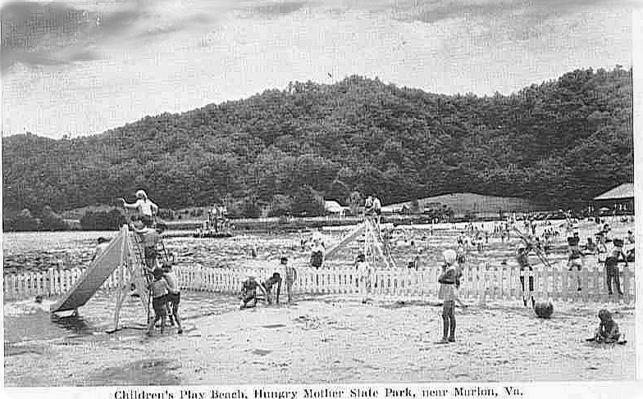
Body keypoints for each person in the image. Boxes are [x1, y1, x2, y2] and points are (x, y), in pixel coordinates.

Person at [437, 250, 465, 343]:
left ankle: (445, 337)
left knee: (445, 315)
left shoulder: (450, 269)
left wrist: (443, 270)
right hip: (452, 291)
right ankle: (452, 336)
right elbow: (459, 275)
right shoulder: (455, 267)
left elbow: (440, 279)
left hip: (448, 292)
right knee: (451, 315)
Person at [146, 268, 170, 336]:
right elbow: (168, 289)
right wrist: (174, 292)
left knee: (157, 317)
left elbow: (148, 288)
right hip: (161, 299)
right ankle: (162, 332)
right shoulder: (163, 281)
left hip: (155, 300)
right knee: (164, 317)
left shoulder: (152, 282)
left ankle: (150, 329)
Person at [162, 260, 182, 334]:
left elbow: (155, 273)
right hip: (178, 294)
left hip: (172, 294)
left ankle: (166, 315)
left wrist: (147, 268)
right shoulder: (173, 274)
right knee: (175, 312)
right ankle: (180, 326)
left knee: (161, 301)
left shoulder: (166, 275)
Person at [516, 242, 535, 307]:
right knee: (524, 287)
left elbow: (526, 252)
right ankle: (525, 302)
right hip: (523, 271)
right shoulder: (519, 256)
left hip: (528, 270)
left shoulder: (524, 255)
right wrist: (529, 248)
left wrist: (529, 248)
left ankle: (533, 301)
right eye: (521, 249)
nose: (522, 250)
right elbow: (523, 254)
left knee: (531, 287)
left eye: (522, 249)